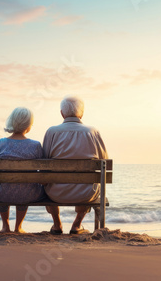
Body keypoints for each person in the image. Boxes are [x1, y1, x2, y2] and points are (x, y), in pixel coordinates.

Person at [43, 95, 108, 235]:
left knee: (44, 181)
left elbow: (44, 162)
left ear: (61, 113)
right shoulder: (93, 132)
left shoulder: (51, 132)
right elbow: (104, 161)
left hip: (56, 194)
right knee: (88, 182)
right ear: (82, 113)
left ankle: (57, 224)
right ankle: (77, 224)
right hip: (86, 193)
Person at [0, 107, 45, 233]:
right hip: (28, 194)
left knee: (1, 186)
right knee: (25, 186)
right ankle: (18, 227)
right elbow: (42, 174)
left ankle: (5, 226)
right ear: (29, 125)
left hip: (1, 194)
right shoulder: (35, 146)